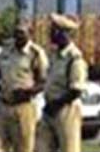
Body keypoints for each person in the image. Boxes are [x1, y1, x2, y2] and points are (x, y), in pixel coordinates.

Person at [0, 18, 47, 152]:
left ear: (30, 33)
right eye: (16, 32)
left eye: (22, 33)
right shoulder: (7, 49)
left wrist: (28, 92)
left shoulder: (35, 53)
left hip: (23, 107)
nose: (18, 36)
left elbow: (43, 82)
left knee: (23, 148)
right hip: (2, 105)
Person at [36, 14, 89, 152]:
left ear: (65, 33)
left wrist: (56, 104)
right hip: (49, 110)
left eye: (54, 30)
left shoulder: (74, 58)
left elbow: (76, 90)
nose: (51, 33)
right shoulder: (54, 55)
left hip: (66, 109)